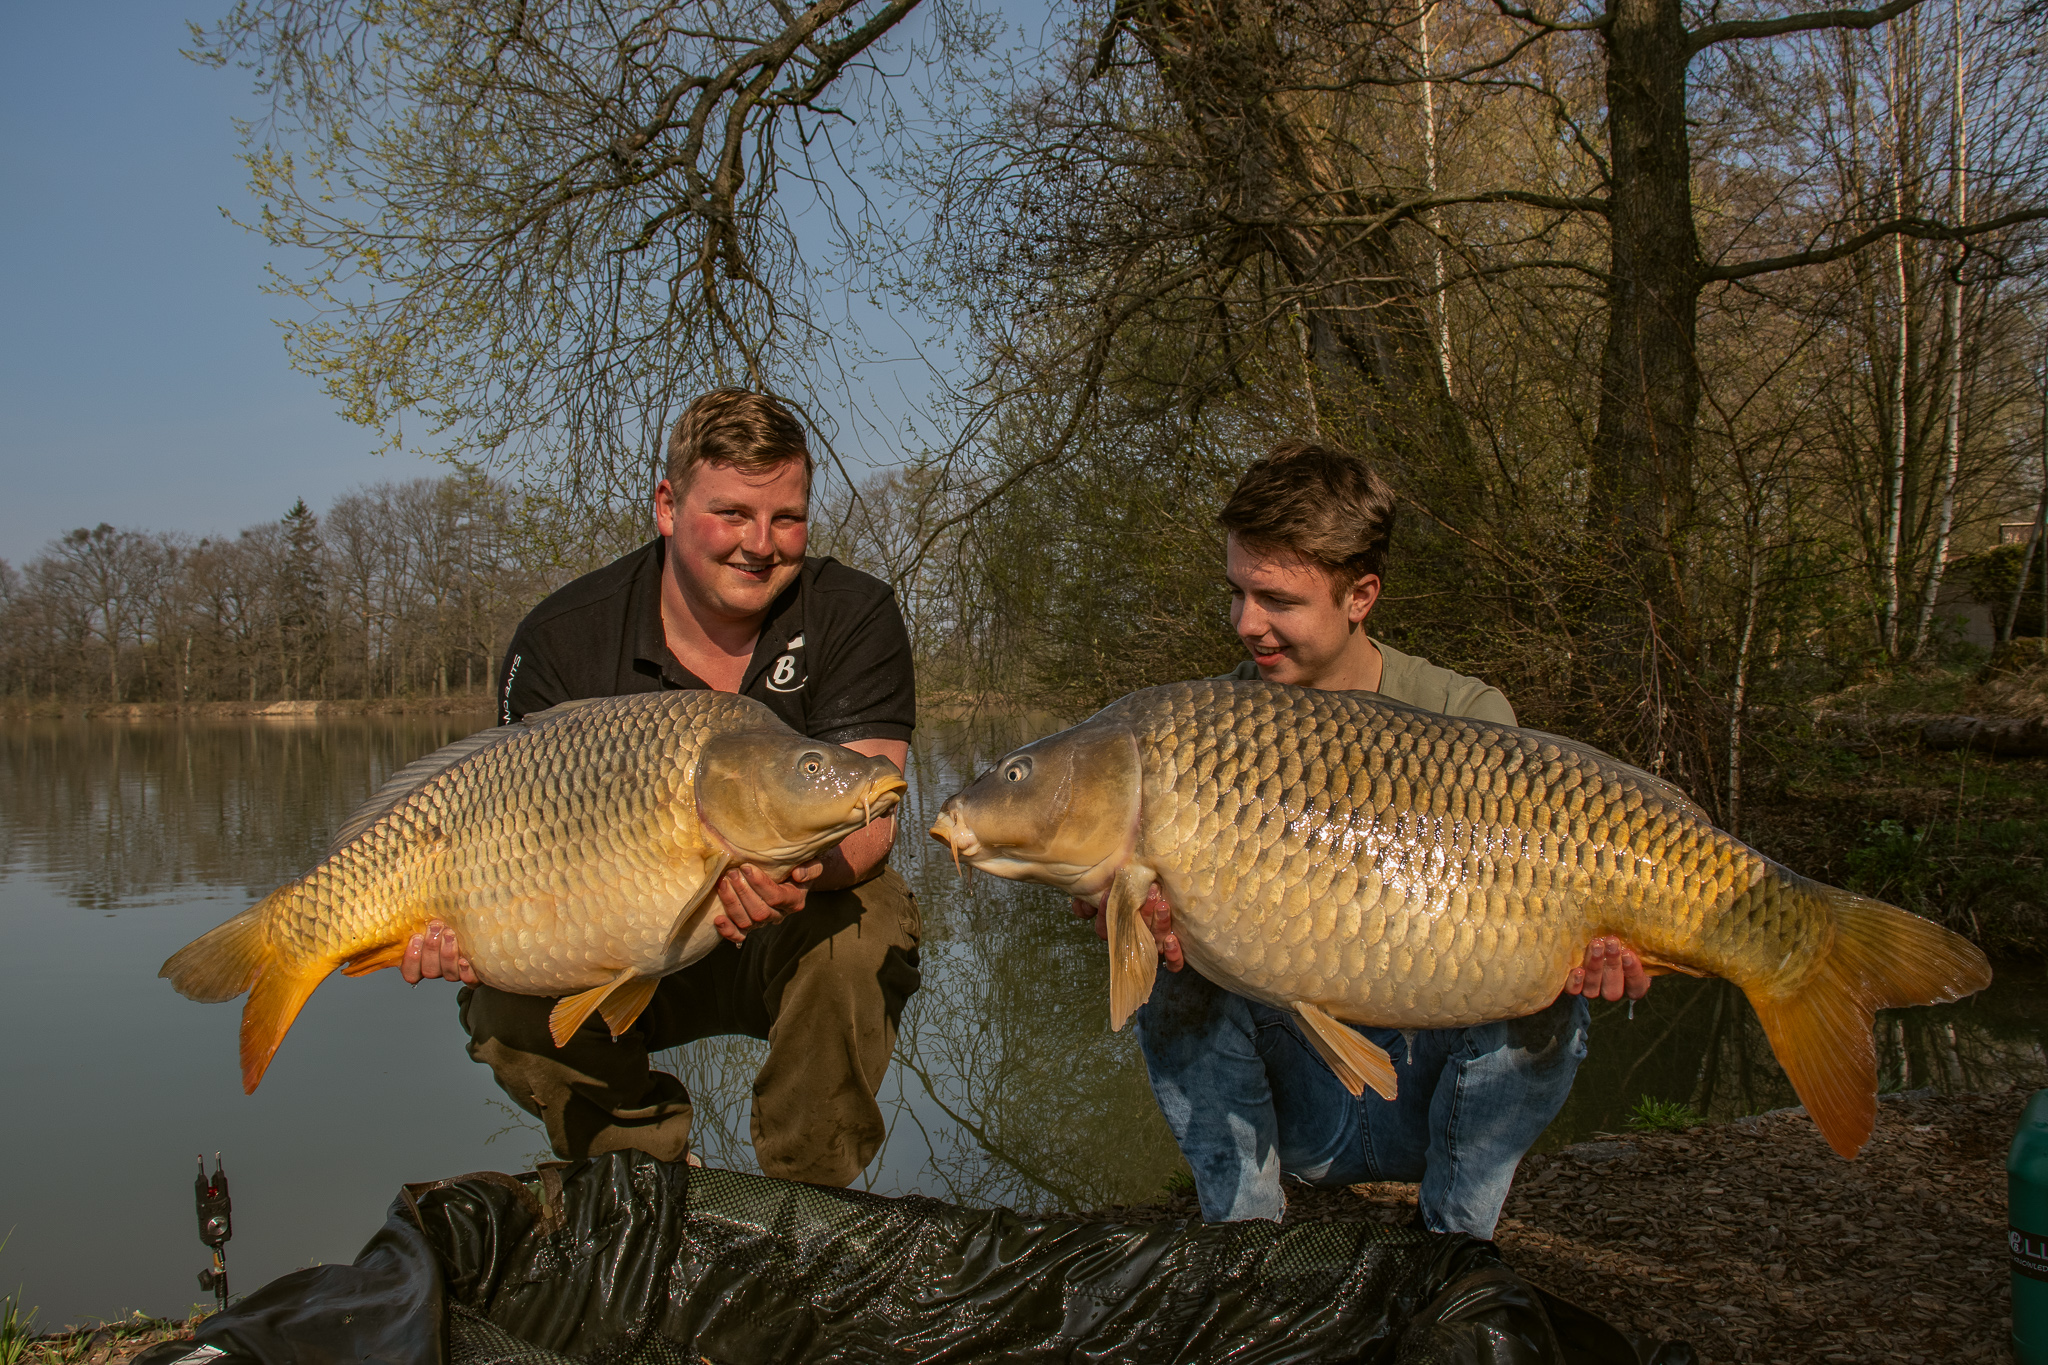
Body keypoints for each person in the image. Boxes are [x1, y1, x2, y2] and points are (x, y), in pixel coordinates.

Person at [1078, 440, 1651, 1237]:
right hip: (1302, 1097)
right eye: (1236, 592)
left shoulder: (1466, 715)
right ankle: (1245, 1235)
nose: (1247, 623)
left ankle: (1455, 1244)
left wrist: (1595, 950)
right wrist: (1126, 907)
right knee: (1175, 981)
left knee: (1550, 995)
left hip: (1436, 1092)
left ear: (1361, 595)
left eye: (1277, 600)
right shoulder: (1201, 735)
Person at [402, 388, 922, 1187]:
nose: (761, 543)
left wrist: (799, 871)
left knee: (866, 925)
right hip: (609, 934)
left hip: (785, 931)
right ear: (668, 506)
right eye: (732, 514)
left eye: (786, 517)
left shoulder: (853, 614)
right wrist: (462, 926)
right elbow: (503, 838)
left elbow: (870, 813)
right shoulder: (562, 639)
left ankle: (800, 1206)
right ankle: (649, 1183)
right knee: (504, 999)